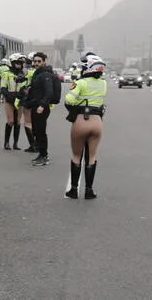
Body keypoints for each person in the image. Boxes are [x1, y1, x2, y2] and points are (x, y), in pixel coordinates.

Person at [64, 54, 107, 199]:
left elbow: (69, 99)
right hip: (97, 121)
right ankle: (89, 190)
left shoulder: (81, 83)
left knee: (77, 155)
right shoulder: (103, 83)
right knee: (92, 156)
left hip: (82, 120)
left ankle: (74, 190)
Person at [25, 52, 54, 166]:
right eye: (35, 61)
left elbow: (49, 92)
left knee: (41, 131)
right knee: (36, 131)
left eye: (39, 61)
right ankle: (41, 154)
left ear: (44, 61)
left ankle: (44, 156)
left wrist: (42, 105)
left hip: (41, 107)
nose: (36, 63)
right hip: (35, 106)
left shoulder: (45, 74)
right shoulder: (38, 74)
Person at [0, 53, 25, 150]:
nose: (19, 64)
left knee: (18, 122)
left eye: (21, 63)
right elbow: (2, 88)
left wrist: (23, 94)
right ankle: (6, 143)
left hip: (20, 99)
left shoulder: (23, 73)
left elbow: (26, 86)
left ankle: (15, 143)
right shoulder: (6, 73)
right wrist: (9, 96)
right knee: (10, 121)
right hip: (10, 99)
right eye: (17, 62)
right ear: (12, 63)